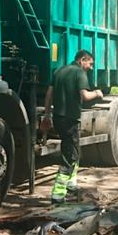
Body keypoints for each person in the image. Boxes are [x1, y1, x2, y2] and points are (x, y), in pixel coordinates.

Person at [41, 50, 104, 203]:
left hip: (58, 118)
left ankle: (71, 183)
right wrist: (97, 93)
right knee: (70, 156)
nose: (90, 67)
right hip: (70, 119)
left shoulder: (59, 70)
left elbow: (49, 93)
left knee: (73, 149)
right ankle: (58, 194)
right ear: (82, 60)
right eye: (90, 64)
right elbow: (85, 96)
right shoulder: (79, 73)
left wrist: (47, 114)